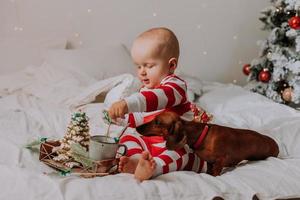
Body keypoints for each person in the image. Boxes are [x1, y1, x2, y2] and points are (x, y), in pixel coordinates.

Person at [108, 27, 211, 181]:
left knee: (179, 155)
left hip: (175, 142)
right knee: (129, 138)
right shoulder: (145, 90)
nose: (142, 72)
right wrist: (122, 119)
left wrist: (128, 103)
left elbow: (155, 99)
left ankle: (153, 167)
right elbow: (141, 118)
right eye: (138, 66)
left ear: (171, 65)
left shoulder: (175, 87)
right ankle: (136, 160)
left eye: (149, 66)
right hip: (151, 142)